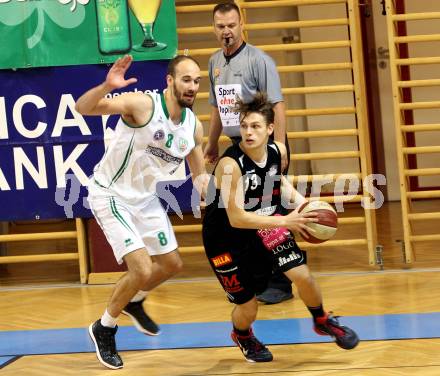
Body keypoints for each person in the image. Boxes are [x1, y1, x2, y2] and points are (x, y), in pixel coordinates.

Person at [202, 92, 359, 363]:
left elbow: (280, 185)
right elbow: (237, 218)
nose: (248, 132)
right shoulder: (230, 165)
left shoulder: (276, 151)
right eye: (244, 126)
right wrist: (287, 220)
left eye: (255, 126)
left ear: (270, 129)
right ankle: (242, 335)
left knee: (303, 276)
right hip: (225, 239)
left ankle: (321, 320)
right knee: (248, 305)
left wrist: (306, 208)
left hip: (265, 224)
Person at [75, 55, 208, 369]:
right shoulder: (142, 105)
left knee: (172, 264)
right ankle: (104, 327)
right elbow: (83, 108)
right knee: (142, 270)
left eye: (197, 81)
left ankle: (133, 301)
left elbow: (200, 177)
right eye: (186, 79)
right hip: (110, 194)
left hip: (144, 199)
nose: (192, 87)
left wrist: (222, 198)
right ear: (170, 81)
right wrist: (107, 86)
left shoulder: (193, 127)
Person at [204, 0, 293, 304]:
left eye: (231, 25)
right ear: (213, 28)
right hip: (237, 146)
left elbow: (277, 105)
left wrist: (278, 145)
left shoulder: (260, 60)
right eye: (220, 26)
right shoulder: (214, 61)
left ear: (241, 24)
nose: (226, 31)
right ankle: (255, 278)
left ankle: (281, 282)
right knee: (241, 213)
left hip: (265, 146)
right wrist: (212, 142)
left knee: (273, 209)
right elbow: (217, 107)